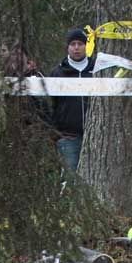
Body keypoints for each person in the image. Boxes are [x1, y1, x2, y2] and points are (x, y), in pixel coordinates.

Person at [49, 28, 95, 172]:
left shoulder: (97, 70)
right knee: (70, 180)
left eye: (80, 44)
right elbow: (51, 104)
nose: (76, 48)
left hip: (96, 136)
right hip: (68, 138)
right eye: (73, 44)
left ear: (86, 45)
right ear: (67, 47)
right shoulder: (57, 72)